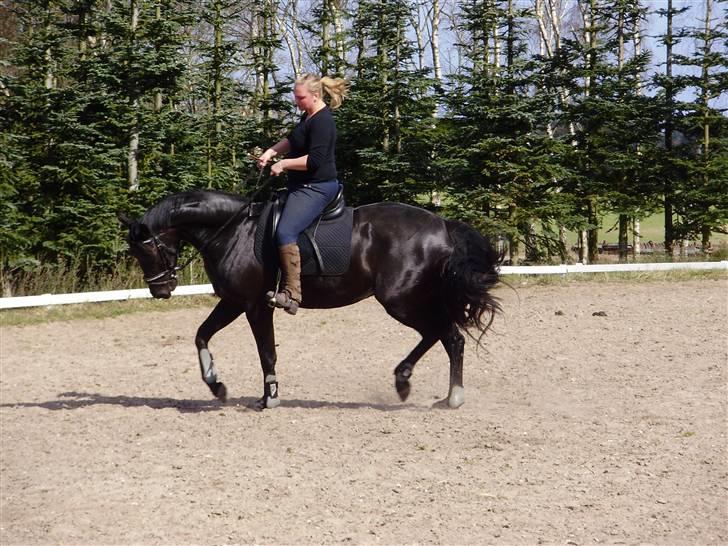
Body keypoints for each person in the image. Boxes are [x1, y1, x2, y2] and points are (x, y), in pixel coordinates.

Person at [257, 74, 349, 315]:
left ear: (315, 96)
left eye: (300, 97)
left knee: (286, 231)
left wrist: (284, 165)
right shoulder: (308, 116)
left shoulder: (323, 122)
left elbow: (315, 160)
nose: (296, 101)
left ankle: (292, 293)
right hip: (301, 186)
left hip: (317, 187)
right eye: (296, 97)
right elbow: (293, 139)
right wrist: (270, 152)